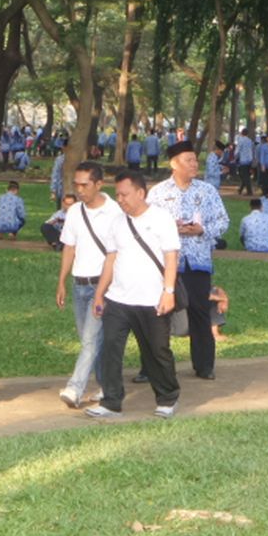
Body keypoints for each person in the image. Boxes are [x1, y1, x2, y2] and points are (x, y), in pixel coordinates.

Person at [87, 171, 181, 419]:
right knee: (110, 348)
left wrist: (168, 292)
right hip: (118, 299)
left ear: (141, 193)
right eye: (117, 194)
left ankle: (167, 397)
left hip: (152, 300)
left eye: (125, 194)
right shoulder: (117, 223)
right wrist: (100, 294)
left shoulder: (161, 219)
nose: (120, 199)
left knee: (156, 351)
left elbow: (171, 258)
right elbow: (110, 259)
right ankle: (111, 402)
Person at [147, 141, 229, 381]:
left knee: (200, 312)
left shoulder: (207, 191)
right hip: (165, 262)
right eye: (189, 160)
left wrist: (202, 230)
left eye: (195, 160)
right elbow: (147, 223)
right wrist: (170, 229)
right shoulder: (158, 193)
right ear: (174, 163)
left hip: (197, 261)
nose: (194, 164)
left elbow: (223, 221)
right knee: (156, 315)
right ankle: (150, 367)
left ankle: (204, 365)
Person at [55, 161, 122, 408]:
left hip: (101, 286)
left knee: (90, 341)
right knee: (90, 339)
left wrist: (103, 291)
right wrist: (62, 281)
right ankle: (108, 385)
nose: (80, 190)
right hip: (79, 283)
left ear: (98, 184)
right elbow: (69, 247)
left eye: (85, 185)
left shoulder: (115, 212)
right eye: (77, 185)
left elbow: (116, 254)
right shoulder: (74, 212)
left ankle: (74, 388)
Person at [235, 128, 255, 196]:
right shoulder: (250, 140)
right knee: (246, 175)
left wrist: (235, 156)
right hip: (249, 160)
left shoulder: (241, 140)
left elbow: (238, 149)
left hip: (243, 160)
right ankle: (240, 189)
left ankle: (249, 191)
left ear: (241, 133)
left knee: (244, 176)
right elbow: (252, 149)